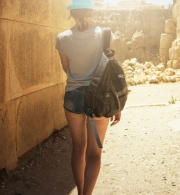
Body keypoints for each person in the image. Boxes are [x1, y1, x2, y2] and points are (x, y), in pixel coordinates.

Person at [55, 0, 121, 194]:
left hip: (73, 96)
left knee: (78, 148)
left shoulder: (62, 38)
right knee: (94, 153)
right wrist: (116, 104)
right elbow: (111, 71)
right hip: (100, 98)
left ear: (72, 14)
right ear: (91, 12)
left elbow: (67, 69)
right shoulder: (106, 35)